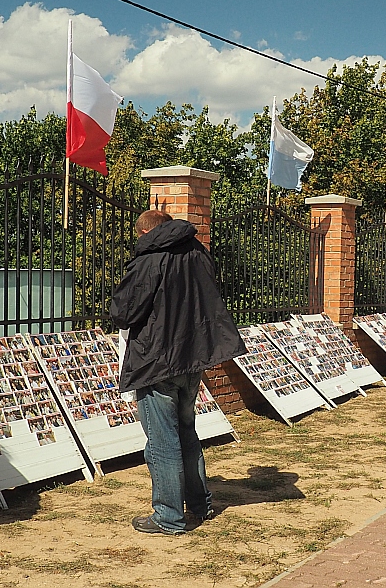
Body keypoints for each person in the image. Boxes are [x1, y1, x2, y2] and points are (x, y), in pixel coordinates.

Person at [110, 210, 246, 535]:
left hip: (157, 361)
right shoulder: (198, 254)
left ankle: (168, 516)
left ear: (145, 232)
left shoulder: (150, 259)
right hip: (192, 358)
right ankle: (200, 505)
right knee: (186, 432)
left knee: (162, 440)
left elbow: (123, 312)